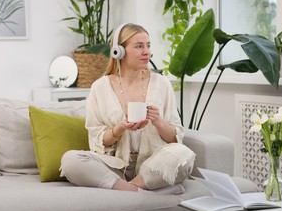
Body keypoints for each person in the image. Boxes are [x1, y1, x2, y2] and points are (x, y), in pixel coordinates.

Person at [60, 23, 195, 194]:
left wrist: (158, 122)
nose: (147, 52)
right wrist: (120, 128)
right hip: (114, 166)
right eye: (139, 46)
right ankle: (140, 191)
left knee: (184, 154)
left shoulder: (162, 83)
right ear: (119, 51)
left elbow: (175, 139)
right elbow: (96, 141)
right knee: (70, 160)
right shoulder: (99, 87)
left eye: (148, 45)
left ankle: (131, 187)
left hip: (152, 165)